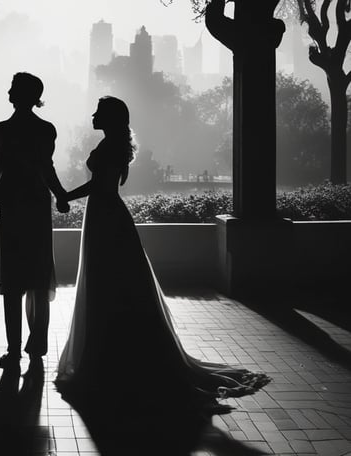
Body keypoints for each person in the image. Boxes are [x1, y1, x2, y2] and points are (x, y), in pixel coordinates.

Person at [55, 96, 270, 408]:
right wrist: (67, 196)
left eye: (99, 112)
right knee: (112, 283)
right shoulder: (112, 143)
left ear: (111, 118)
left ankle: (109, 358)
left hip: (105, 215)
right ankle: (114, 354)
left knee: (107, 283)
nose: (93, 115)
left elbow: (101, 187)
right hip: (104, 214)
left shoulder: (110, 146)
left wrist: (64, 195)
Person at [0, 72, 69, 369]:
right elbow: (46, 168)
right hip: (36, 202)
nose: (9, 90)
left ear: (20, 94)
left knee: (12, 279)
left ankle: (13, 351)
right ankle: (37, 343)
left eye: (13, 87)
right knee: (38, 274)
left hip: (12, 202)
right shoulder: (46, 129)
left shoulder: (1, 129)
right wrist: (60, 194)